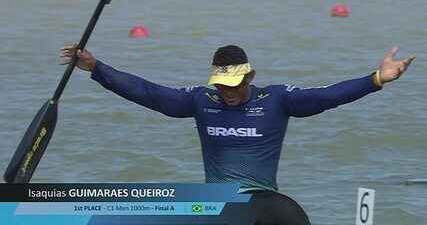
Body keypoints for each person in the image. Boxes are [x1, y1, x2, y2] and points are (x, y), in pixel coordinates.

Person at [60, 44, 415, 224]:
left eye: (233, 84)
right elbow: (148, 93)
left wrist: (376, 79)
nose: (227, 91)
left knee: (289, 214)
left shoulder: (276, 99)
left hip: (263, 199)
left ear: (249, 76)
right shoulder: (201, 99)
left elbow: (326, 96)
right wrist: (97, 68)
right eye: (221, 84)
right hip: (218, 203)